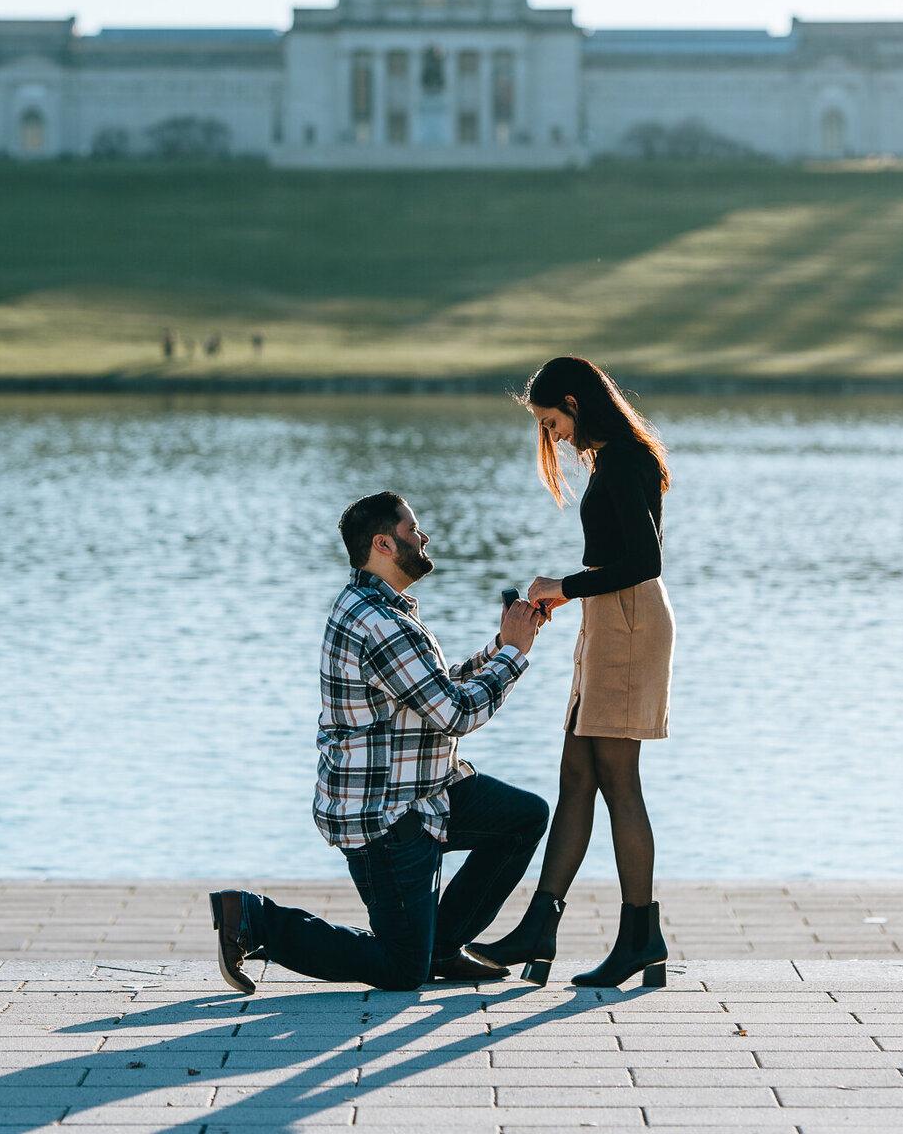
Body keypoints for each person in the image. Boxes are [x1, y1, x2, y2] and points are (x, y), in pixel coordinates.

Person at [209, 490, 548, 993]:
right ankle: (255, 920)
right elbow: (455, 713)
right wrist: (515, 655)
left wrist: (498, 648)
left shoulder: (375, 606)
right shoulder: (380, 622)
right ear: (384, 543)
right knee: (399, 969)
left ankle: (440, 946)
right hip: (383, 818)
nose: (424, 536)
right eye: (414, 529)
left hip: (423, 791)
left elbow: (430, 692)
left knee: (523, 817)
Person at [469, 356, 675, 989]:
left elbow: (644, 561)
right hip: (609, 621)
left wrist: (566, 583)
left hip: (630, 623)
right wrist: (567, 594)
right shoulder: (613, 458)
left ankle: (641, 936)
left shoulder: (621, 460)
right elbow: (621, 559)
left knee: (618, 780)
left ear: (574, 402)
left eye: (551, 419)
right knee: (576, 775)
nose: (552, 434)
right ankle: (540, 926)